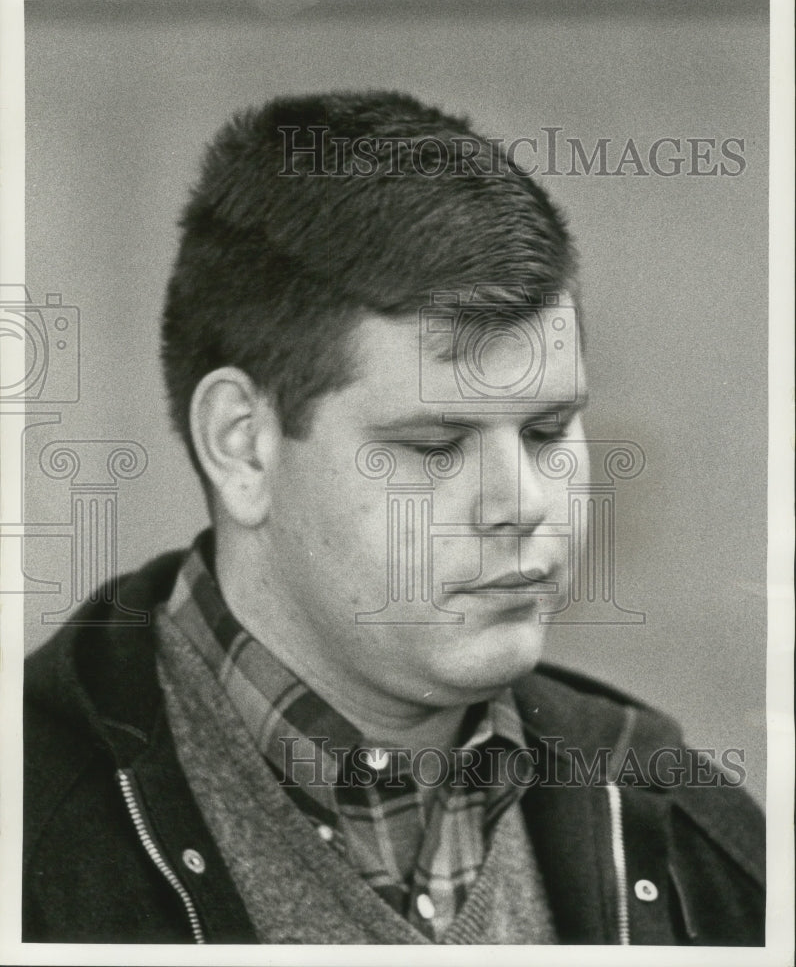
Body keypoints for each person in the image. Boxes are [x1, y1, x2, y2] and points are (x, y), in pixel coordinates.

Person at [23, 91, 764, 945]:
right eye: (438, 445)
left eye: (547, 430)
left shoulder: (688, 836)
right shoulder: (30, 829)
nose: (523, 503)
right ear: (243, 445)